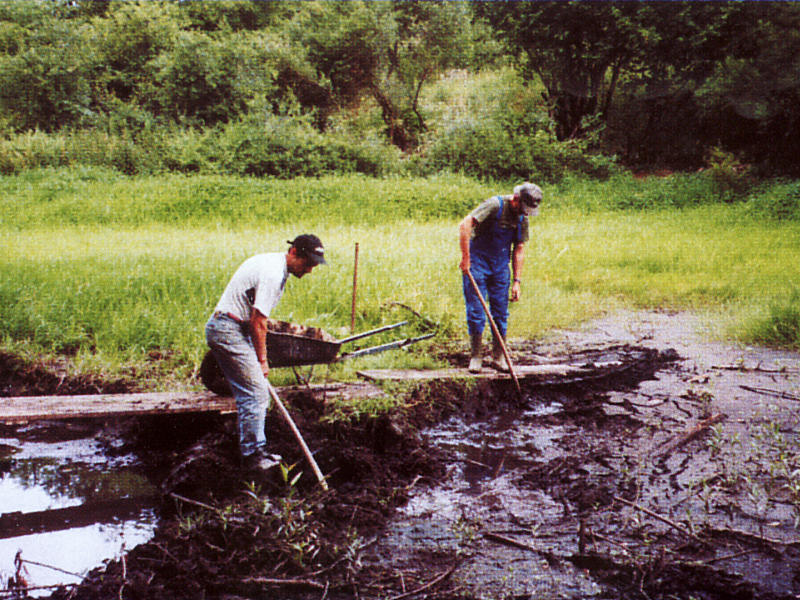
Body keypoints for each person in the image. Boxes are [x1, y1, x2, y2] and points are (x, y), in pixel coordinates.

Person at [205, 234, 326, 475]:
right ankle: (252, 457)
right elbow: (259, 321)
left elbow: (256, 319)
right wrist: (262, 360)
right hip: (228, 328)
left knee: (251, 390)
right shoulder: (273, 272)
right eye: (307, 263)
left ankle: (255, 449)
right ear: (293, 253)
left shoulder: (274, 265)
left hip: (233, 326)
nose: (310, 270)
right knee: (257, 392)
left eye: (313, 265)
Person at [458, 183, 542, 373]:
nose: (526, 213)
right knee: (476, 312)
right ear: (515, 200)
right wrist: (466, 259)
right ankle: (476, 356)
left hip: (500, 267)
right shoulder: (495, 205)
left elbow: (519, 248)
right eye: (524, 208)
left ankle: (498, 357)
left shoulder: (522, 218)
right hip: (478, 262)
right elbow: (465, 224)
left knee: (501, 313)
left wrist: (517, 281)